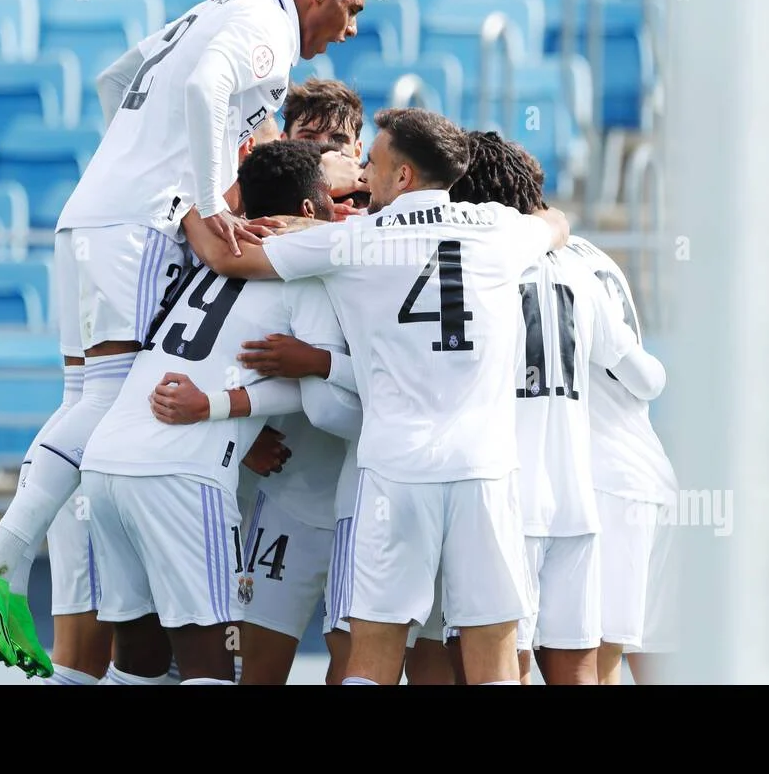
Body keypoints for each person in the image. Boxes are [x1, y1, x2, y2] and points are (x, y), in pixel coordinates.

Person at [0, 0, 377, 679]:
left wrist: (138, 163)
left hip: (89, 214)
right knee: (112, 396)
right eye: (353, 10)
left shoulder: (219, 8)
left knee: (84, 393)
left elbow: (119, 81)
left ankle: (9, 560)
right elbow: (206, 87)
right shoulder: (266, 29)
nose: (351, 29)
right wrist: (204, 200)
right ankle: (0, 557)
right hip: (142, 226)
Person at [181, 107, 571, 685]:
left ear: (405, 176)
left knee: (374, 652)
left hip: (393, 476)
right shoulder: (498, 230)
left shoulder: (353, 241)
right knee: (493, 654)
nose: (362, 173)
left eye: (372, 162)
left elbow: (223, 256)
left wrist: (184, 198)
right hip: (484, 475)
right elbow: (555, 221)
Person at [78, 140, 357, 683]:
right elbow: (329, 410)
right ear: (309, 208)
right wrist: (321, 371)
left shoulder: (213, 257)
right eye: (331, 197)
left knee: (138, 662)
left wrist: (227, 401)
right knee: (212, 665)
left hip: (107, 464)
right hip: (183, 474)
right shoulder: (304, 274)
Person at [446, 132, 639, 685]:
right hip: (575, 496)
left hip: (506, 498)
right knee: (577, 667)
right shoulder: (581, 268)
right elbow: (626, 366)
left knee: (503, 667)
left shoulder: (482, 269)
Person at [563, 234, 678, 685]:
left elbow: (646, 377)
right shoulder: (592, 251)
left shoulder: (541, 262)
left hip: (605, 479)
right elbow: (648, 378)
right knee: (653, 652)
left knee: (597, 651)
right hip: (650, 472)